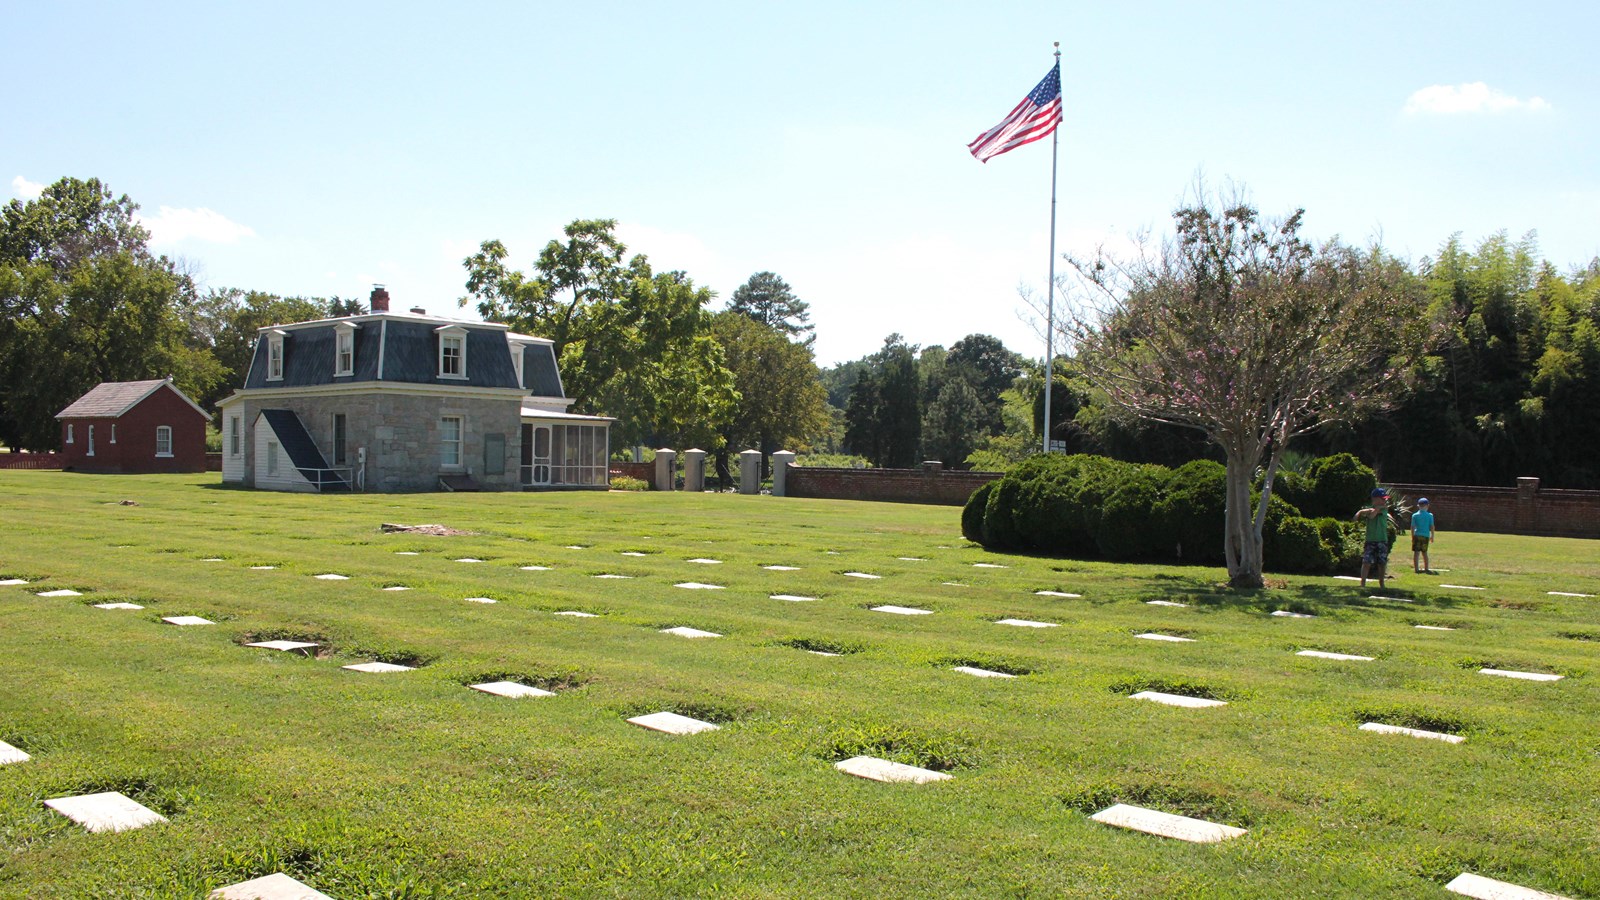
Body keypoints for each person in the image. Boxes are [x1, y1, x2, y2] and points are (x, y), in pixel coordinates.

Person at [1355, 487, 1391, 589]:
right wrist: (1361, 512)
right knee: (1366, 562)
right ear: (1375, 499)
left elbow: (1372, 515)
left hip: (1382, 540)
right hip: (1370, 539)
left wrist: (1374, 509)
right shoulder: (1370, 508)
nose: (1385, 500)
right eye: (1383, 498)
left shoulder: (1384, 509)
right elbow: (1370, 515)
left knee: (1381, 563)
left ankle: (1381, 584)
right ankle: (1362, 584)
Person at [1411, 497, 1436, 574]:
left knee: (1416, 552)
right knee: (1424, 552)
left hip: (1417, 535)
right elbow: (1432, 526)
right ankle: (1426, 568)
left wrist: (1412, 536)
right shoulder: (1430, 515)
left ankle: (1416, 569)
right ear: (1427, 506)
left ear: (1418, 506)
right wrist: (1432, 536)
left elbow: (1412, 527)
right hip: (1426, 536)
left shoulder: (1415, 515)